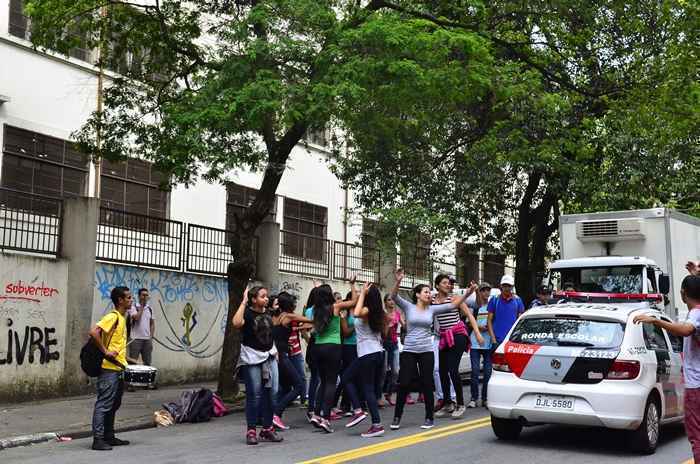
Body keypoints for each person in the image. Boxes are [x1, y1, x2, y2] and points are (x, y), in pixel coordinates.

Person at [390, 269, 473, 430]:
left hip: (426, 350)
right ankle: (397, 417)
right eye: (426, 292)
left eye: (429, 292)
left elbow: (454, 304)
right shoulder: (408, 307)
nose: (429, 294)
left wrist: (467, 293)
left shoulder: (433, 309)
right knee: (404, 383)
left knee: (427, 383)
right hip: (409, 351)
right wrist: (398, 281)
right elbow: (393, 296)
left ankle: (429, 418)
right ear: (418, 295)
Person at [633, 274, 700, 462]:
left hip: (696, 386)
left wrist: (656, 321)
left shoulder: (695, 314)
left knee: (697, 435)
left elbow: (686, 330)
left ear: (683, 293)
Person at [233, 286, 283, 446]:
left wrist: (275, 351)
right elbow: (236, 323)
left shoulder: (268, 313)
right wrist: (243, 302)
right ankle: (251, 430)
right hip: (252, 358)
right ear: (254, 299)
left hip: (269, 356)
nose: (266, 299)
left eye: (266, 296)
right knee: (254, 395)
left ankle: (267, 428)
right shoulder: (247, 313)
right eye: (262, 296)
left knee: (273, 393)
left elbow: (270, 334)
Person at [309, 281, 358, 433]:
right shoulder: (335, 307)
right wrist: (352, 285)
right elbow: (355, 302)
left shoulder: (314, 310)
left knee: (323, 382)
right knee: (331, 382)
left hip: (318, 347)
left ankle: (316, 414)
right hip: (333, 347)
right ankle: (326, 419)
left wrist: (316, 287)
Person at [432, 274, 481, 419]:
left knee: (453, 370)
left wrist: (477, 334)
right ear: (437, 286)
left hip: (459, 335)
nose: (448, 285)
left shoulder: (454, 298)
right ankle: (448, 403)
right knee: (442, 371)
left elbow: (470, 315)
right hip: (445, 337)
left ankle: (460, 404)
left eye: (449, 283)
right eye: (444, 283)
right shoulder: (433, 301)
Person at [342, 283, 387, 437]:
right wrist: (354, 287)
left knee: (364, 386)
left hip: (369, 353)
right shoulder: (377, 311)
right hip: (373, 352)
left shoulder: (368, 310)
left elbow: (355, 313)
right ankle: (359, 411)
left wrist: (362, 293)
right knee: (348, 378)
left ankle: (375, 423)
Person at [89, 286, 131, 451]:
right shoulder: (112, 316)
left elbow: (117, 346)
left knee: (114, 403)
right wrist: (105, 352)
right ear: (120, 300)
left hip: (118, 368)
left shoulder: (122, 318)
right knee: (104, 403)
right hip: (109, 369)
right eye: (128, 297)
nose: (130, 300)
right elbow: (93, 332)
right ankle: (97, 439)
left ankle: (109, 436)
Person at [271, 292, 312, 430]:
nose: (294, 304)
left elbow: (278, 333)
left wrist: (297, 328)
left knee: (285, 387)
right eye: (293, 302)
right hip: (282, 356)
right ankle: (276, 414)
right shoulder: (288, 316)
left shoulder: (274, 316)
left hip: (275, 355)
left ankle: (268, 415)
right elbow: (309, 320)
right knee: (299, 385)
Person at [468, 282, 496, 408]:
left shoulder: (493, 305)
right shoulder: (475, 306)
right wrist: (478, 327)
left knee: (488, 372)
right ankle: (474, 398)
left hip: (488, 343)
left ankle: (485, 398)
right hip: (475, 343)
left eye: (487, 290)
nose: (485, 293)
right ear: (479, 292)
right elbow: (468, 322)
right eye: (483, 290)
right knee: (474, 371)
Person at [126, 288, 155, 391]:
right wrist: (141, 307)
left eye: (146, 295)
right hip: (135, 338)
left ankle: (148, 383)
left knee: (147, 362)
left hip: (146, 339)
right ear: (139, 296)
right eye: (143, 295)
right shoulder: (133, 307)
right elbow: (136, 318)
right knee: (133, 362)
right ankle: (130, 384)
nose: (145, 297)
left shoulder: (150, 308)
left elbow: (152, 323)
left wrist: (151, 337)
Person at [487, 275, 525, 347]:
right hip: (497, 341)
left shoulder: (518, 300)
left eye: (509, 286)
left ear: (512, 287)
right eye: (505, 285)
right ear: (501, 286)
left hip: (513, 341)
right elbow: (489, 321)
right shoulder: (494, 300)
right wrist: (493, 340)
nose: (507, 288)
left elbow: (520, 322)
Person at [382, 294, 403, 406]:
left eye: (392, 300)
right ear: (385, 302)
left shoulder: (398, 314)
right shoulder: (382, 315)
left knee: (396, 371)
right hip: (384, 344)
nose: (391, 302)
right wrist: (388, 325)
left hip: (394, 344)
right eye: (389, 300)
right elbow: (383, 334)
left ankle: (389, 394)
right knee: (383, 372)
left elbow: (405, 327)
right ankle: (378, 395)